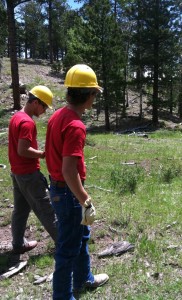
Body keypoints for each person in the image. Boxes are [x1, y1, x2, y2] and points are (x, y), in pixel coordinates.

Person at [45, 64, 109, 300]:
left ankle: (84, 279)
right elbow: (69, 170)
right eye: (94, 93)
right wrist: (85, 200)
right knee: (67, 249)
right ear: (88, 94)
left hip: (60, 189)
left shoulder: (57, 116)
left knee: (81, 237)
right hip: (68, 193)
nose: (95, 98)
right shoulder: (75, 126)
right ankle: (62, 296)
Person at [8, 85, 57, 254]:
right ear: (36, 102)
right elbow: (23, 150)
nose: (44, 111)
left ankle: (18, 243)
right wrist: (43, 154)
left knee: (20, 210)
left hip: (17, 173)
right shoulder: (27, 122)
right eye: (44, 106)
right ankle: (65, 243)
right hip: (28, 174)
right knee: (45, 208)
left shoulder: (16, 117)